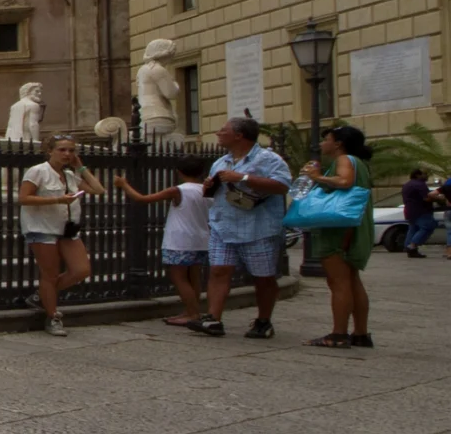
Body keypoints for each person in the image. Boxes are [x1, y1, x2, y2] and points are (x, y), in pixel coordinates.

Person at [194, 115, 292, 338]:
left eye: (223, 130)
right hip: (223, 226)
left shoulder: (269, 160)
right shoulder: (221, 162)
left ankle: (264, 320)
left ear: (239, 135)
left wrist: (244, 177)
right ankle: (213, 319)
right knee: (218, 270)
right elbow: (211, 193)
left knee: (263, 277)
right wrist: (208, 186)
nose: (218, 133)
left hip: (258, 228)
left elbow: (282, 186)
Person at [300, 124, 376, 349]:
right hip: (355, 225)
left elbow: (344, 182)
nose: (322, 144)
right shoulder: (358, 162)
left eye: (326, 139)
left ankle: (338, 334)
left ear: (338, 143)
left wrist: (317, 177)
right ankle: (360, 333)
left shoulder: (345, 160)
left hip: (340, 229)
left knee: (339, 282)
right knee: (352, 280)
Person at [19, 134, 103, 335]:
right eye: (62, 150)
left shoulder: (70, 175)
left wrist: (80, 167)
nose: (67, 154)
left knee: (81, 270)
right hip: (42, 228)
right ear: (50, 151)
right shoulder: (38, 171)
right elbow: (24, 198)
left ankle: (43, 296)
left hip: (67, 229)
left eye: (71, 150)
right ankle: (53, 315)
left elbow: (98, 190)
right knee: (50, 273)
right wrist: (57, 200)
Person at [116, 158, 213, 327]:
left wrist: (124, 184)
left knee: (179, 277)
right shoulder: (206, 190)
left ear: (179, 172)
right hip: (201, 238)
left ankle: (193, 313)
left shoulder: (178, 190)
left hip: (180, 240)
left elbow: (142, 199)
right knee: (194, 277)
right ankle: (193, 309)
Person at [404, 166, 441, 259]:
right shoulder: (420, 184)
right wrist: (440, 198)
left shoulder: (407, 184)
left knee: (413, 228)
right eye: (425, 174)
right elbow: (427, 198)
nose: (427, 176)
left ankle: (409, 248)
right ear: (417, 175)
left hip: (410, 210)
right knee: (428, 226)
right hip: (421, 210)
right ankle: (412, 246)